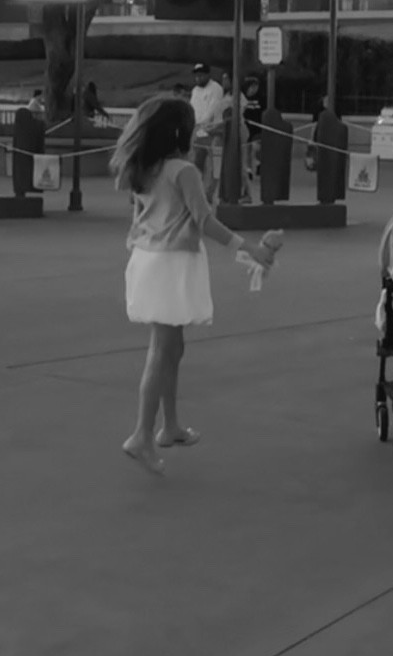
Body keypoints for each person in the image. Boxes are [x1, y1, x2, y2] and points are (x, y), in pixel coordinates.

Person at [110, 95, 282, 476]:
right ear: (181, 133)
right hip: (172, 262)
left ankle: (168, 426)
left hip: (148, 259)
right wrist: (249, 248)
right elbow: (204, 221)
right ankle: (141, 433)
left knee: (172, 346)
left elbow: (137, 216)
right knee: (162, 348)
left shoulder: (144, 167)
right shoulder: (183, 171)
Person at [189, 63, 225, 202]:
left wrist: (202, 123)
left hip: (214, 130)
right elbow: (193, 108)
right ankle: (198, 192)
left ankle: (210, 193)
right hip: (199, 130)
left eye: (201, 75)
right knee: (198, 162)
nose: (198, 78)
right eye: (196, 75)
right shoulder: (195, 91)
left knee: (215, 164)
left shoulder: (216, 89)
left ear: (208, 75)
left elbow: (212, 110)